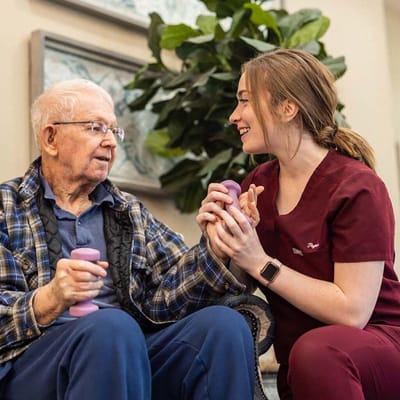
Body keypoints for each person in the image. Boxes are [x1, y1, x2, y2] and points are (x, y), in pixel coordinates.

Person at [0, 78, 258, 400]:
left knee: (223, 326)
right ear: (51, 138)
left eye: (114, 131)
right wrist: (48, 299)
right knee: (112, 328)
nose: (110, 142)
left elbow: (168, 292)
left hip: (126, 352)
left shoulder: (128, 210)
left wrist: (217, 247)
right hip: (36, 361)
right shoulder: (6, 208)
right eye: (96, 128)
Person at [197, 48, 400, 400]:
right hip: (306, 365)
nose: (234, 116)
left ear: (287, 108)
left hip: (374, 347)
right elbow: (240, 286)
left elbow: (352, 311)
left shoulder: (357, 187)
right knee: (310, 355)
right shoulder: (258, 184)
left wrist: (259, 261)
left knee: (317, 352)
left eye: (244, 101)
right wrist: (225, 242)